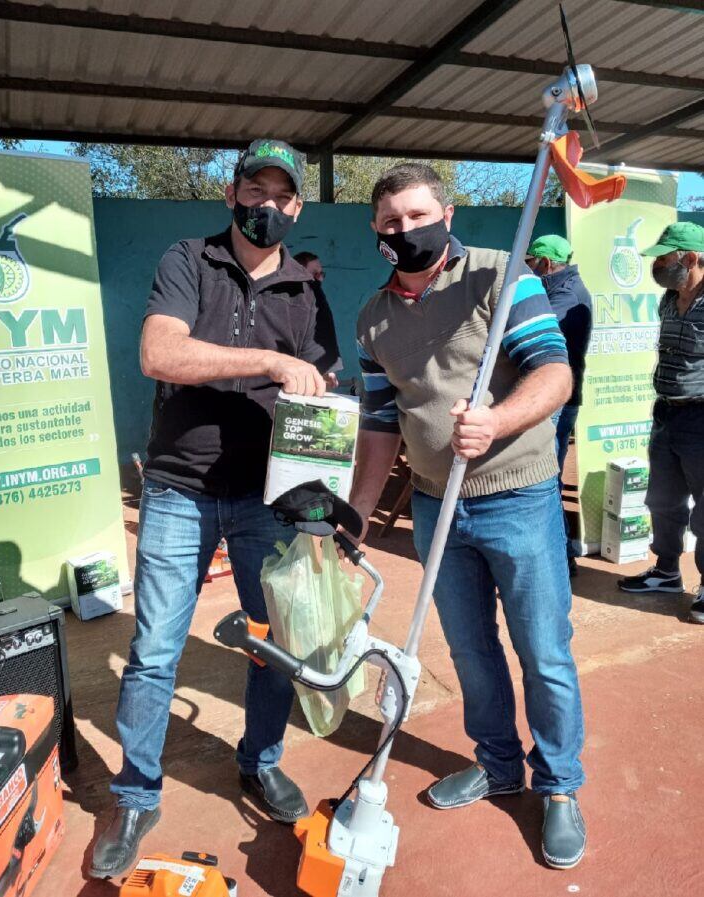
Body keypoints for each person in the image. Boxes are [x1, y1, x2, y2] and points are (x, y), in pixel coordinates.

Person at [90, 139, 338, 880]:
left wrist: (316, 492)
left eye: (281, 195)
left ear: (297, 206)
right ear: (231, 194)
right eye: (254, 191)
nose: (267, 206)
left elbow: (321, 389)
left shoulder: (306, 288)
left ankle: (261, 762)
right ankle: (136, 792)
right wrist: (266, 360)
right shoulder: (188, 260)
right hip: (179, 487)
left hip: (265, 496)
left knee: (270, 645)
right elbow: (160, 354)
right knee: (157, 648)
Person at [349, 163, 586, 869]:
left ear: (447, 215)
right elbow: (379, 421)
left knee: (542, 649)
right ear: (376, 232)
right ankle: (498, 762)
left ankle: (560, 786)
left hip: (518, 495)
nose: (406, 230)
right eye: (392, 222)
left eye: (419, 215)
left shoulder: (503, 276)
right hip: (435, 505)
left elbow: (554, 371)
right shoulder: (372, 317)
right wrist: (360, 511)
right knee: (469, 649)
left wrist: (496, 420)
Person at [618, 222, 704, 624]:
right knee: (663, 499)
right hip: (667, 412)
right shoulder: (670, 299)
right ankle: (667, 572)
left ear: (691, 258)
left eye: (664, 257)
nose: (657, 264)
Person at [526, 235, 593, 576]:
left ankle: (561, 555)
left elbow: (535, 331)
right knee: (545, 475)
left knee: (545, 477)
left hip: (557, 400)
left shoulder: (565, 296)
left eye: (531, 262)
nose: (529, 269)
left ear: (547, 264)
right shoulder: (561, 289)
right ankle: (560, 552)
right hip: (556, 398)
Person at [294, 250, 343, 375]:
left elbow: (324, 333)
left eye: (321, 274)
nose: (320, 279)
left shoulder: (316, 296)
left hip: (316, 372)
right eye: (315, 274)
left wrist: (328, 370)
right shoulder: (294, 300)